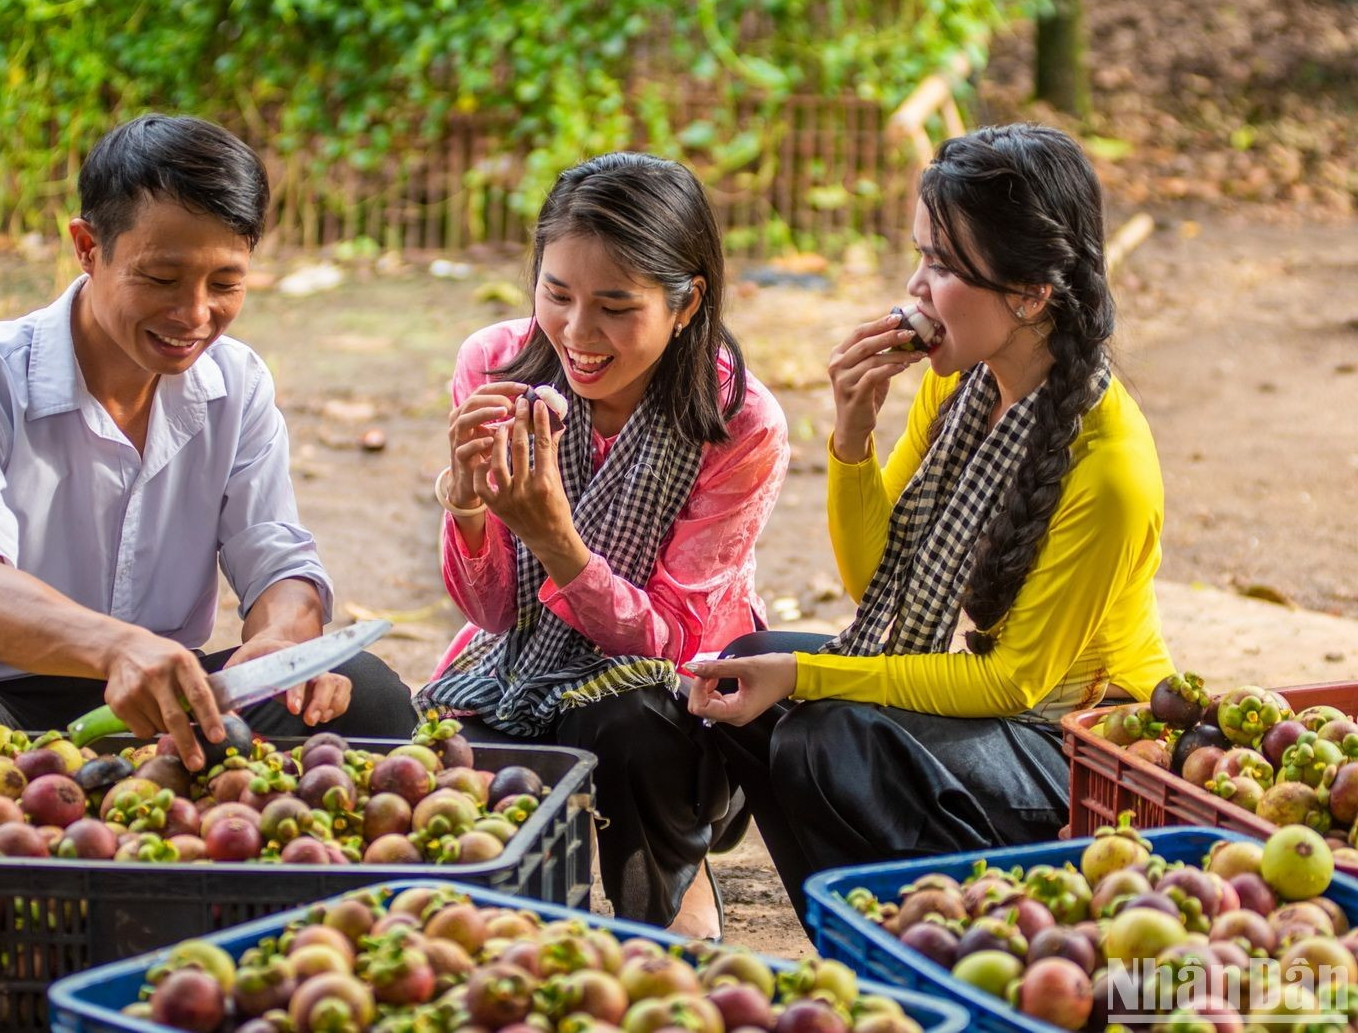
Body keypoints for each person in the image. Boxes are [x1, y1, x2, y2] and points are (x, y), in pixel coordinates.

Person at [0, 114, 416, 812]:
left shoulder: (236, 384)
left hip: (167, 717)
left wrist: (279, 640)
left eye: (225, 283)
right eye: (162, 277)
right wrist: (118, 649)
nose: (195, 313)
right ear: (87, 247)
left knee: (369, 692)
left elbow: (277, 560)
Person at [686, 123, 1175, 918]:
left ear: (1028, 293)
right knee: (746, 668)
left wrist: (810, 675)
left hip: (1078, 752)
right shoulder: (960, 388)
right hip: (996, 715)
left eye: (943, 265)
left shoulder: (1110, 465)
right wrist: (851, 433)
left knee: (829, 737)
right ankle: (858, 942)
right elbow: (873, 582)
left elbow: (1008, 681)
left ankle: (955, 940)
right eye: (919, 254)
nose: (914, 286)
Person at [414, 152, 788, 936]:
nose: (578, 334)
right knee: (452, 773)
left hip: (671, 694)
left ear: (688, 304)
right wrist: (469, 502)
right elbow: (490, 612)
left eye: (617, 306)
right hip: (515, 668)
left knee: (628, 723)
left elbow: (673, 638)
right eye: (557, 294)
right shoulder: (494, 367)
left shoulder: (739, 423)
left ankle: (672, 884)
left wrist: (559, 542)